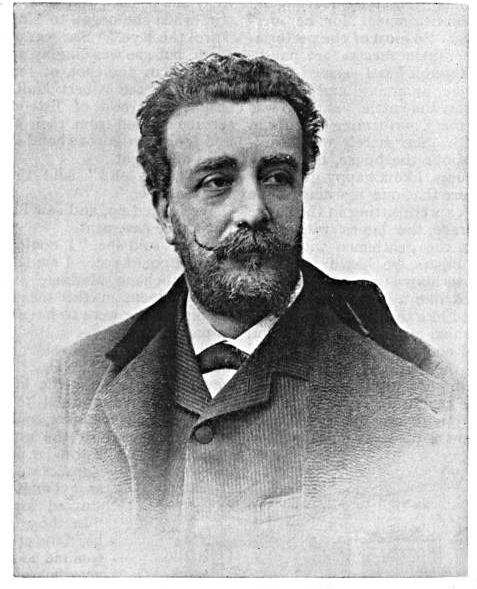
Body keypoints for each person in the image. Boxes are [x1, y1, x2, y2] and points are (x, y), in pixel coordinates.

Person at [34, 53, 465, 576]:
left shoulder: (424, 401)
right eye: (217, 181)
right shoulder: (68, 392)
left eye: (277, 177)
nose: (254, 210)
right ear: (165, 211)